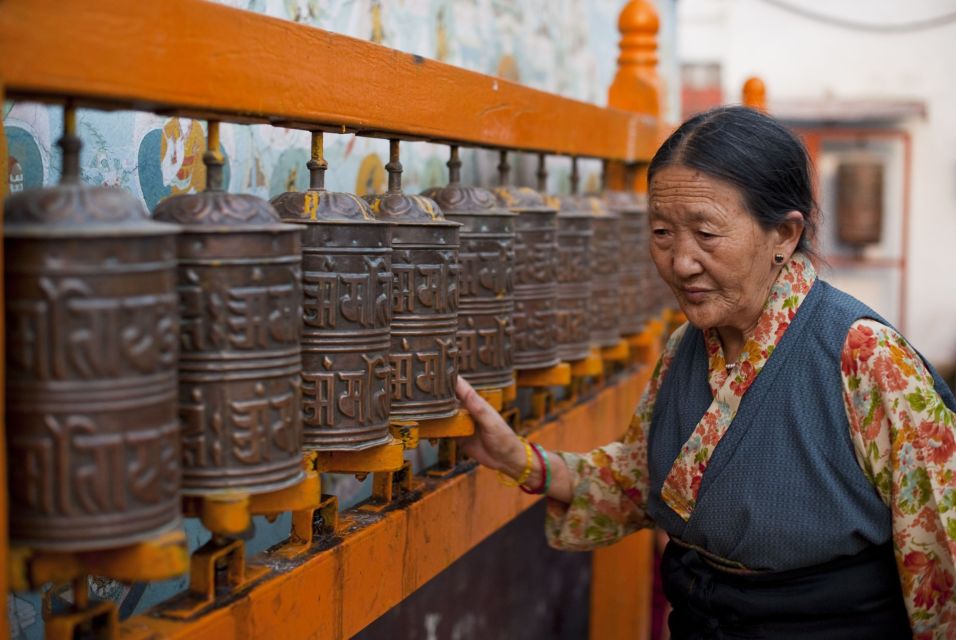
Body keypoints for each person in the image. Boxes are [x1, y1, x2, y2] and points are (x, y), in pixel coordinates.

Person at [456, 106, 956, 640]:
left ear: (784, 235)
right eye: (663, 232)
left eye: (707, 234)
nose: (680, 262)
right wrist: (518, 460)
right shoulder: (685, 348)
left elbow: (940, 552)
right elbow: (643, 481)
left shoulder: (865, 357)